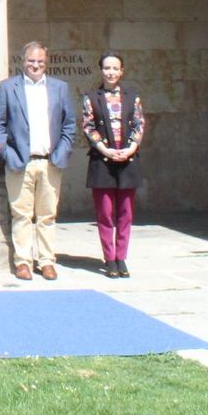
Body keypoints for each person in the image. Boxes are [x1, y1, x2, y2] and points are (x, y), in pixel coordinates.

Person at [0, 41, 77, 281]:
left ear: (46, 62)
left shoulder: (60, 88)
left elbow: (69, 125)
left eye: (40, 61)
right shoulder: (8, 88)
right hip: (20, 162)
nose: (36, 65)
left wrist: (61, 153)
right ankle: (23, 262)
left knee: (47, 215)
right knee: (21, 215)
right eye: (31, 61)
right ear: (23, 61)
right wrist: (8, 154)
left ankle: (47, 261)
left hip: (50, 162)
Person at [81, 51, 146, 278]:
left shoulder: (132, 97)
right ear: (101, 70)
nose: (111, 72)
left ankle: (121, 257)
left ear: (122, 71)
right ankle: (109, 258)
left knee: (125, 213)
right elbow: (88, 127)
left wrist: (131, 148)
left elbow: (138, 124)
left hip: (128, 160)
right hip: (103, 161)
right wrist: (104, 149)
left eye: (115, 68)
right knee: (105, 213)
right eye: (107, 68)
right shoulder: (91, 97)